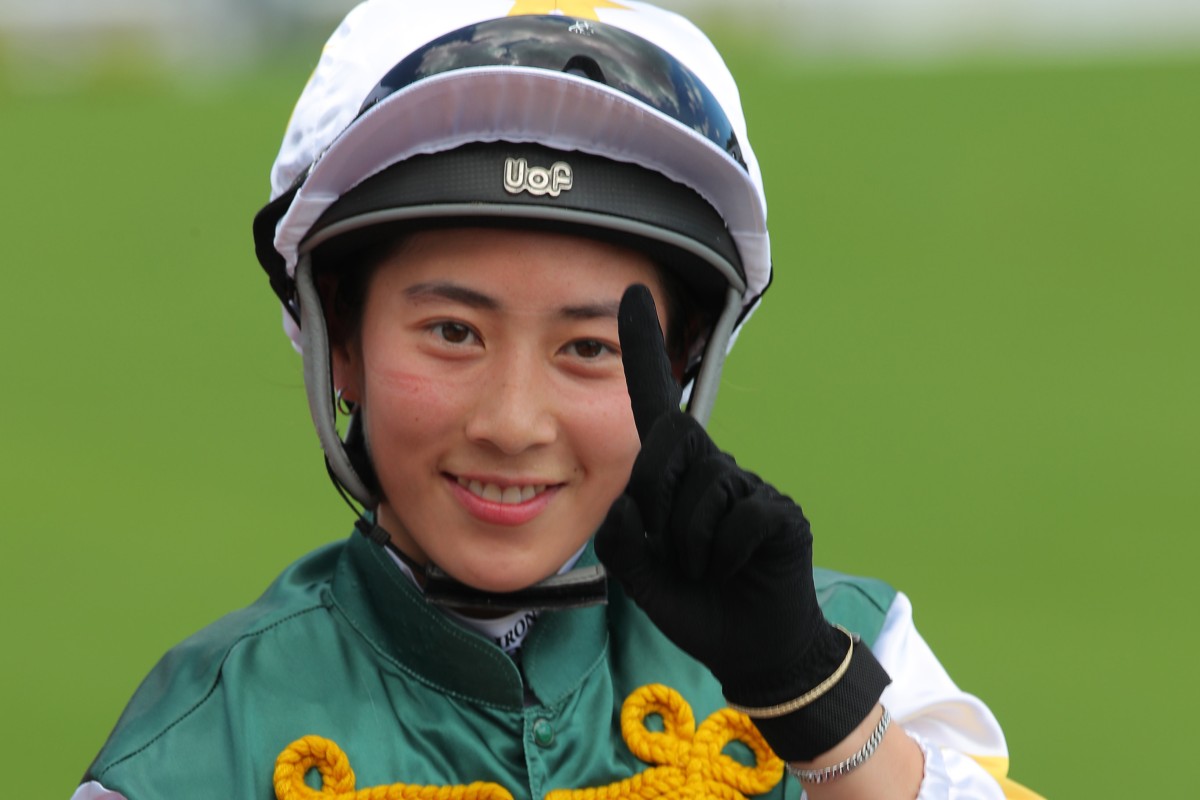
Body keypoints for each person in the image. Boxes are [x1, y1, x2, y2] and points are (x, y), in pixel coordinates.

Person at [73, 2, 1043, 799]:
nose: (512, 419)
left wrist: (819, 704)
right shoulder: (197, 747)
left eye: (587, 346)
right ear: (341, 340)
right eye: (454, 331)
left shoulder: (857, 650)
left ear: (686, 360)